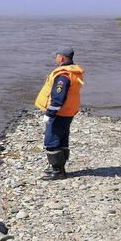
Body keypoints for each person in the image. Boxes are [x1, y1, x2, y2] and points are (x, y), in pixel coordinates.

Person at [34, 47, 85, 180]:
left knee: (52, 140)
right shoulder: (73, 72)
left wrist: (50, 113)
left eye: (56, 56)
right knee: (62, 140)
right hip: (68, 111)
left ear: (62, 58)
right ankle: (59, 168)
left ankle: (58, 172)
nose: (55, 59)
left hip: (60, 113)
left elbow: (58, 97)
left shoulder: (63, 76)